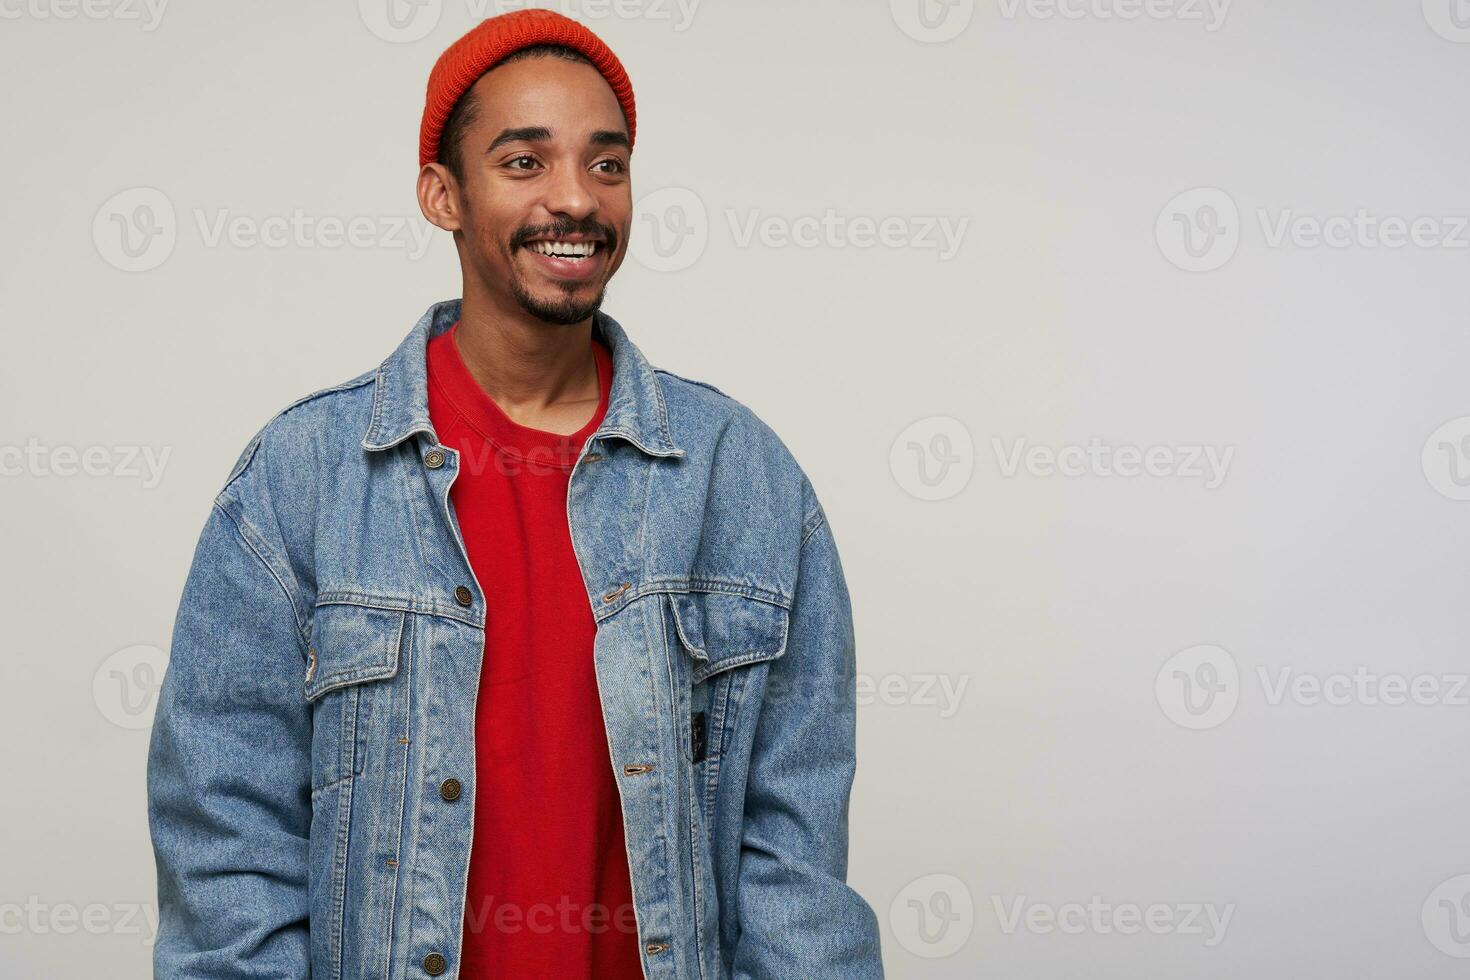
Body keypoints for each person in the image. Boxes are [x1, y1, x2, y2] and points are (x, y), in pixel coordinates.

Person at [145, 9, 883, 979]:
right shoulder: (302, 475)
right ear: (441, 193)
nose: (575, 198)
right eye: (525, 163)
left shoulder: (742, 477)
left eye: (606, 163)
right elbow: (225, 843)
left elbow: (795, 863)